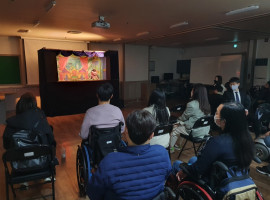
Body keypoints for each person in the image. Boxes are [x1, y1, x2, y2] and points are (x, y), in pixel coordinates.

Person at [87, 110, 172, 200]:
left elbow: (93, 193)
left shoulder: (110, 161)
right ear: (152, 135)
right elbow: (166, 176)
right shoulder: (162, 153)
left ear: (126, 131)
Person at [173, 102, 254, 183]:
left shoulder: (217, 142)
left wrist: (184, 171)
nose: (214, 116)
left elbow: (198, 170)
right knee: (193, 159)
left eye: (217, 113)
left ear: (224, 122)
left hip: (214, 180)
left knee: (177, 164)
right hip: (234, 176)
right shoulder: (247, 139)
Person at [170, 84, 211, 153]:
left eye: (192, 90)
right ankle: (178, 145)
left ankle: (171, 149)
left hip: (194, 132)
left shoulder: (192, 104)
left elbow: (184, 117)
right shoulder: (207, 104)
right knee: (181, 125)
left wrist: (178, 121)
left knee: (175, 128)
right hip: (204, 131)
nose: (191, 91)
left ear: (195, 92)